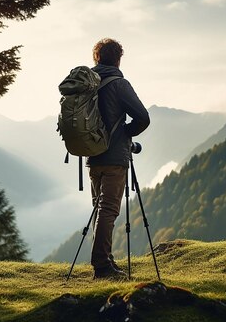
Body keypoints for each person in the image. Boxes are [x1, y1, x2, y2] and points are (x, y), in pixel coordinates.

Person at [88, 38, 150, 279]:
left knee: (99, 208)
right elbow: (143, 118)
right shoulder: (119, 84)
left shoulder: (88, 84)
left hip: (92, 156)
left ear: (97, 58)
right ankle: (102, 266)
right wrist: (126, 133)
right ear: (118, 59)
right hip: (114, 158)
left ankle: (106, 261)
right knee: (109, 209)